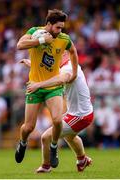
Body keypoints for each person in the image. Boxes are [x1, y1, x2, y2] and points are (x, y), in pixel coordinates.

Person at [15, 9, 78, 168]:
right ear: (49, 24)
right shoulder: (34, 32)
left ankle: (54, 146)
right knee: (29, 127)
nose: (60, 31)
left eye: (62, 27)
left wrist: (75, 73)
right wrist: (42, 41)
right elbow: (19, 45)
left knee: (57, 120)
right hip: (34, 86)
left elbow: (73, 52)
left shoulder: (64, 39)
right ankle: (23, 142)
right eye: (58, 27)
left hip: (53, 86)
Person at [21, 52, 94, 173]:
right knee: (70, 137)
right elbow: (51, 74)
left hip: (81, 115)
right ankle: (82, 160)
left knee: (46, 137)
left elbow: (60, 79)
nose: (53, 60)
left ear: (65, 55)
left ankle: (46, 166)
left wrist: (38, 85)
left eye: (57, 56)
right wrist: (32, 65)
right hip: (78, 113)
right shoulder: (68, 66)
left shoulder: (68, 68)